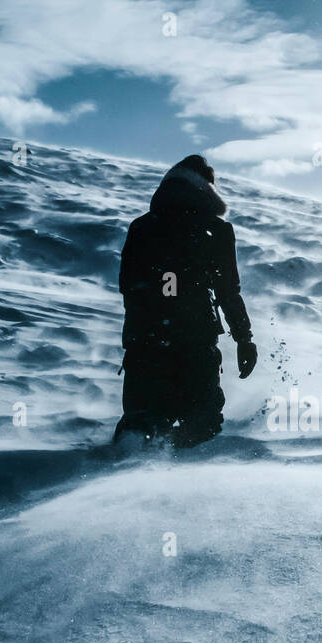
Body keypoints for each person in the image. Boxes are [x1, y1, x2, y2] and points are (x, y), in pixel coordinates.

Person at [112, 155, 257, 447]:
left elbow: (127, 285)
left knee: (141, 424)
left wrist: (146, 329)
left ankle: (125, 475)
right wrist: (244, 338)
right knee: (201, 424)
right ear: (208, 189)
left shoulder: (141, 227)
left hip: (146, 342)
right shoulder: (216, 230)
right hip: (195, 340)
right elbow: (228, 290)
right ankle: (182, 480)